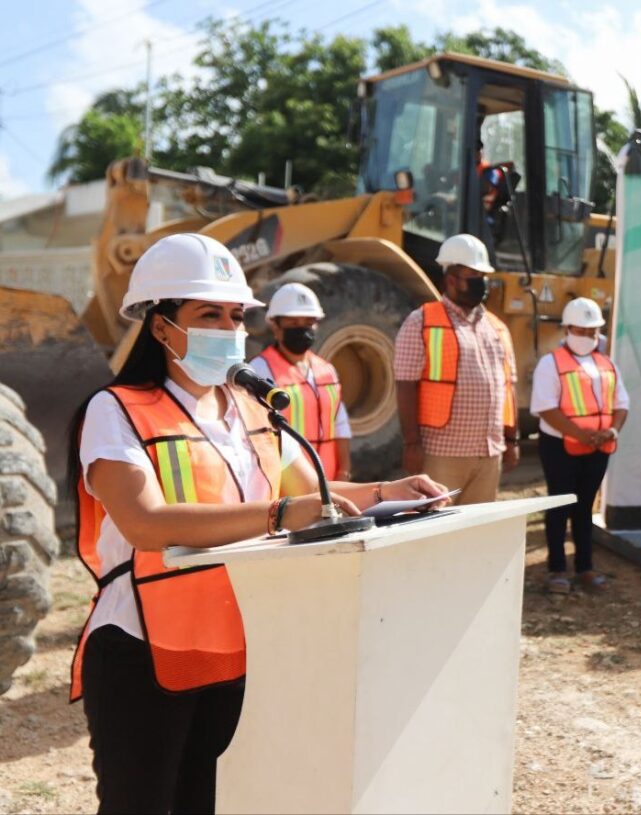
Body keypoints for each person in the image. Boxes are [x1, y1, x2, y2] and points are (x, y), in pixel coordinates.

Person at [67, 233, 448, 814]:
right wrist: (277, 515)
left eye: (235, 315)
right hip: (142, 645)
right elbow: (145, 523)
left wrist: (385, 491)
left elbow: (312, 494)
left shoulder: (251, 410)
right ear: (161, 326)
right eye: (208, 314)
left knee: (212, 802)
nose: (228, 328)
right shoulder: (116, 409)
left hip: (238, 637)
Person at [394, 233, 519, 504]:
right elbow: (405, 385)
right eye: (473, 276)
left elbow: (508, 388)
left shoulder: (496, 327)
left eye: (483, 276)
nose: (481, 283)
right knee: (436, 524)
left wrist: (511, 440)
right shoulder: (421, 321)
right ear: (451, 279)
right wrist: (411, 444)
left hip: (489, 453)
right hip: (442, 453)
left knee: (477, 527)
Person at [530, 297, 629, 594]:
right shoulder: (550, 363)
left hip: (598, 447)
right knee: (560, 506)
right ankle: (557, 569)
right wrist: (580, 434)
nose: (587, 336)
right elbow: (546, 408)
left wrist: (612, 430)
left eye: (592, 331)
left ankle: (585, 567)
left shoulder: (607, 364)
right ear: (567, 329)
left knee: (585, 507)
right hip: (559, 446)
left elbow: (621, 403)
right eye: (581, 330)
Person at [249, 282, 352, 480]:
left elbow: (340, 424)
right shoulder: (259, 369)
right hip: (289, 482)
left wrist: (344, 472)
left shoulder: (327, 370)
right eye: (293, 323)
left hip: (330, 481)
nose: (302, 329)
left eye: (308, 322)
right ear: (275, 326)